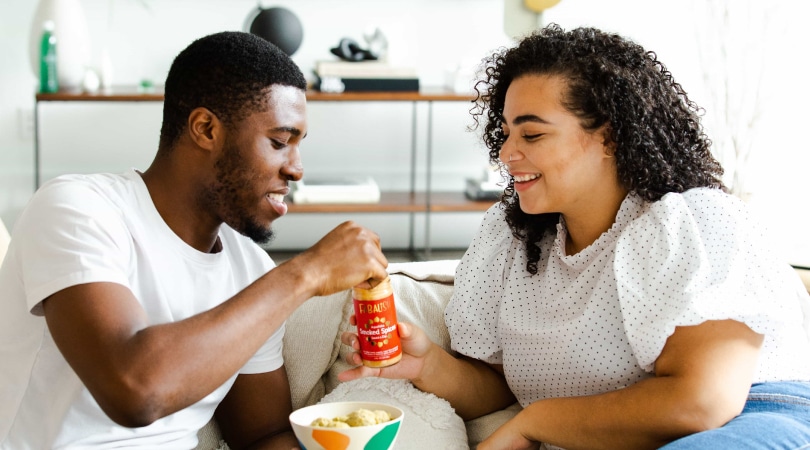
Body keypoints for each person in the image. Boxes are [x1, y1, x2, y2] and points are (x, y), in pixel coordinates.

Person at [339, 24, 810, 449]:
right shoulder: (514, 240)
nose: (506, 153)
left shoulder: (692, 221)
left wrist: (536, 422)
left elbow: (701, 404)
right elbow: (497, 385)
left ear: (608, 138)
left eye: (532, 135)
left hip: (754, 418)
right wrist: (424, 364)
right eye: (504, 133)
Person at [0, 31, 389, 449]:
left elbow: (261, 436)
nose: (296, 169)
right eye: (279, 143)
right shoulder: (79, 209)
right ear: (205, 129)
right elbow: (134, 391)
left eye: (297, 146)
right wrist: (307, 272)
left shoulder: (250, 270)